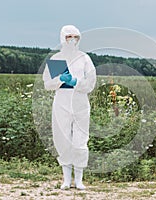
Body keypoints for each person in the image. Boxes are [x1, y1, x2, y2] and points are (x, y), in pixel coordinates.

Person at [42, 25, 96, 190]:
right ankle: (66, 179)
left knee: (80, 141)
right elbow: (47, 84)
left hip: (80, 101)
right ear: (63, 38)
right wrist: (60, 79)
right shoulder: (56, 59)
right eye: (69, 37)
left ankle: (79, 180)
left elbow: (91, 83)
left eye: (75, 37)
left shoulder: (85, 58)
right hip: (62, 102)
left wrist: (76, 82)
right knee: (63, 139)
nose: (72, 40)